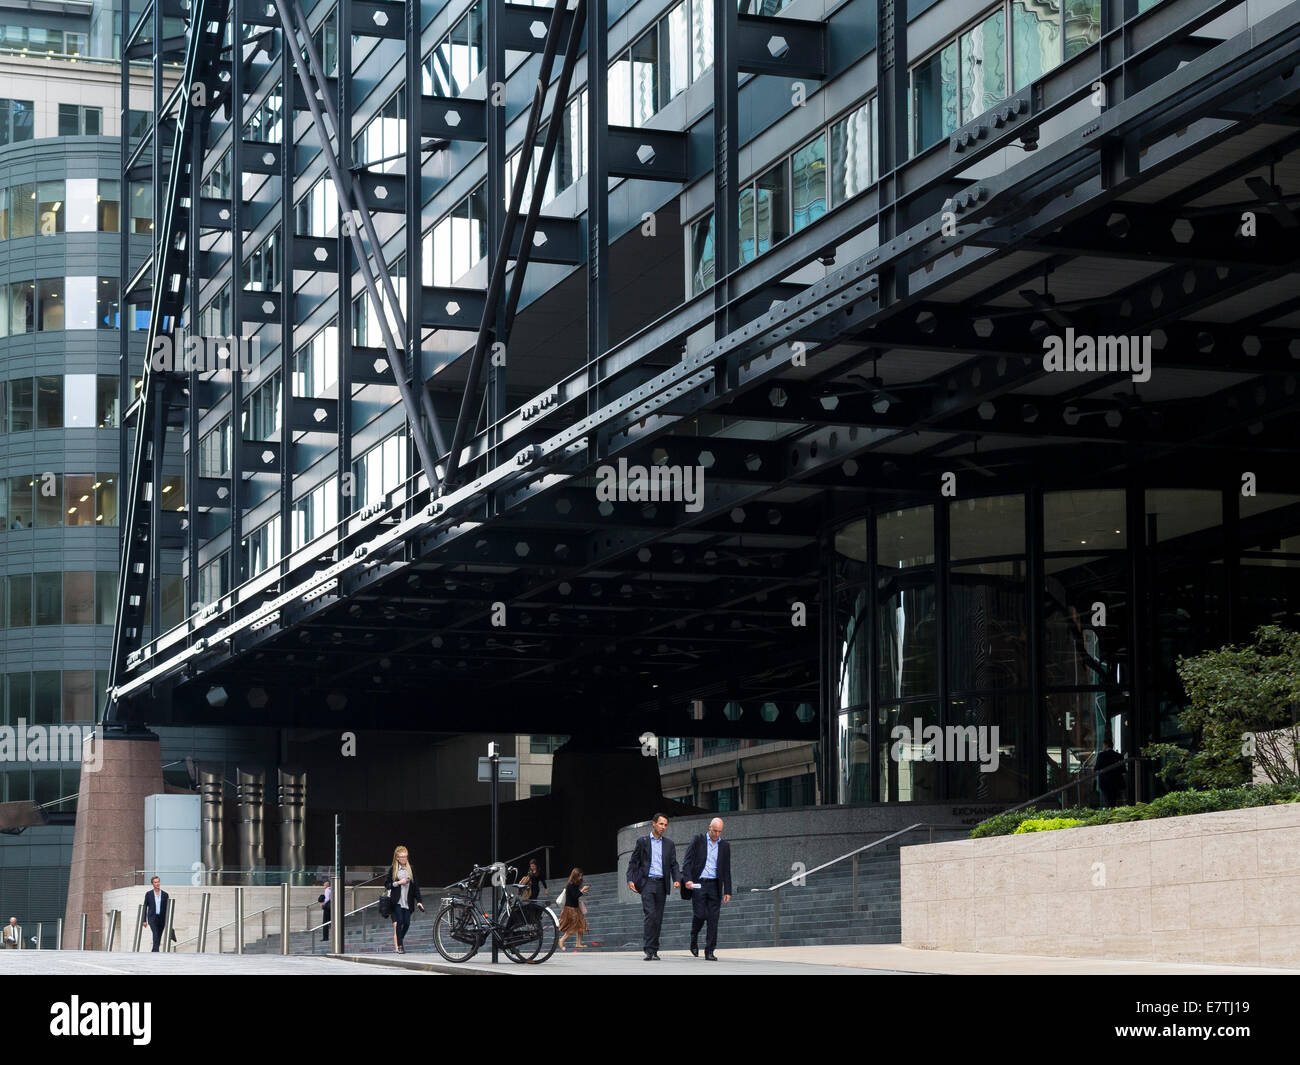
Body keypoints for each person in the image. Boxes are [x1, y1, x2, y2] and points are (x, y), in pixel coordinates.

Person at [625, 812, 679, 961]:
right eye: (661, 824)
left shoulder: (669, 844)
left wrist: (676, 879)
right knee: (651, 915)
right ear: (653, 823)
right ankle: (649, 950)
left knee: (658, 918)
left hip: (662, 884)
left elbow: (674, 864)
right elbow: (633, 862)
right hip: (647, 883)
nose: (663, 827)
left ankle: (655, 950)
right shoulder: (642, 841)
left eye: (666, 825)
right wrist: (630, 879)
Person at [681, 817, 733, 960]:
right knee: (700, 915)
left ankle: (709, 951)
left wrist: (728, 890)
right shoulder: (698, 840)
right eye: (715, 831)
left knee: (713, 919)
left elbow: (726, 869)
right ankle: (694, 936)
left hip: (715, 885)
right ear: (709, 827)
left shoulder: (725, 846)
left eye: (719, 831)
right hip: (699, 884)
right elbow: (687, 862)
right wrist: (688, 879)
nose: (717, 834)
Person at [384, 845, 424, 954]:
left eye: (405, 856)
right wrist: (398, 883)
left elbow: (416, 887)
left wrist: (419, 901)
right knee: (399, 921)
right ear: (397, 858)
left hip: (407, 902)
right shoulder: (393, 869)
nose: (404, 859)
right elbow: (387, 884)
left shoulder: (411, 869)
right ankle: (400, 946)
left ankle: (399, 939)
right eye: (401, 857)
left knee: (407, 923)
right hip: (396, 901)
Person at [555, 868, 590, 952]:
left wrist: (581, 891)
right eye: (579, 876)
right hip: (570, 909)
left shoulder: (575, 884)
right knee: (572, 926)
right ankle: (561, 940)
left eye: (581, 875)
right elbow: (575, 896)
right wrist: (583, 890)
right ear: (575, 876)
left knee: (581, 924)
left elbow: (575, 895)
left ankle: (578, 943)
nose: (581, 877)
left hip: (575, 908)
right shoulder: (570, 885)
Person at [1096, 739, 1126, 808]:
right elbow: (1123, 770)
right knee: (1114, 799)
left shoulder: (1101, 755)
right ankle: (1113, 810)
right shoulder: (1119, 756)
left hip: (1105, 781)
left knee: (1107, 799)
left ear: (1106, 745)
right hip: (1117, 781)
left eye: (1103, 745)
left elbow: (1097, 768)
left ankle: (1109, 811)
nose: (1102, 747)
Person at [142, 876, 169, 952]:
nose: (157, 884)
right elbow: (145, 907)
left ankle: (154, 951)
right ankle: (156, 952)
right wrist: (144, 920)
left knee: (159, 936)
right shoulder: (148, 894)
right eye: (155, 882)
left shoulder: (165, 895)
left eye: (158, 882)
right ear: (152, 884)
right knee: (155, 934)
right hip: (152, 918)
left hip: (162, 918)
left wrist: (168, 920)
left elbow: (167, 909)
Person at [318, 877, 332, 942]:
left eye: (324, 884)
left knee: (325, 923)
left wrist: (323, 904)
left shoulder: (327, 890)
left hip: (327, 908)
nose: (323, 885)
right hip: (331, 908)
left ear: (326, 885)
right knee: (330, 922)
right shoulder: (331, 889)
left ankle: (325, 937)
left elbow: (327, 899)